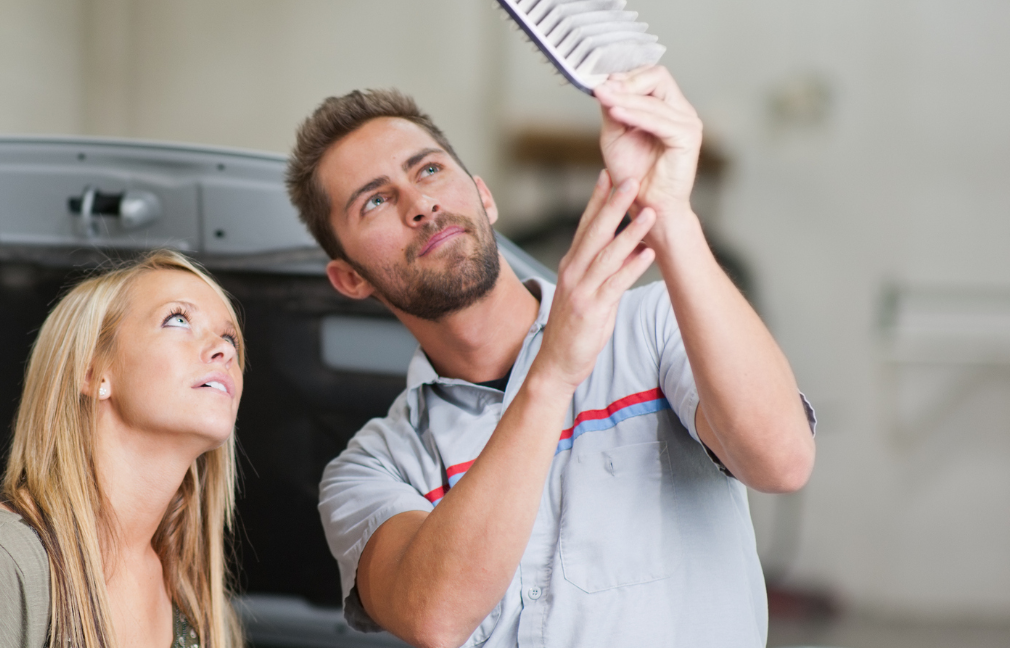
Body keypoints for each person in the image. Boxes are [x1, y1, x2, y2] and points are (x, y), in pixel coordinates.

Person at [287, 67, 817, 647]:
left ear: (483, 196)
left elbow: (782, 461)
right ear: (349, 279)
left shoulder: (656, 325)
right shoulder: (373, 467)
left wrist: (670, 216)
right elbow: (433, 616)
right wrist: (553, 372)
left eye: (430, 169)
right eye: (376, 202)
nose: (421, 204)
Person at [0, 250, 246, 648]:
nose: (223, 350)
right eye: (178, 320)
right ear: (91, 372)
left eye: (229, 338)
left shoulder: (192, 600)